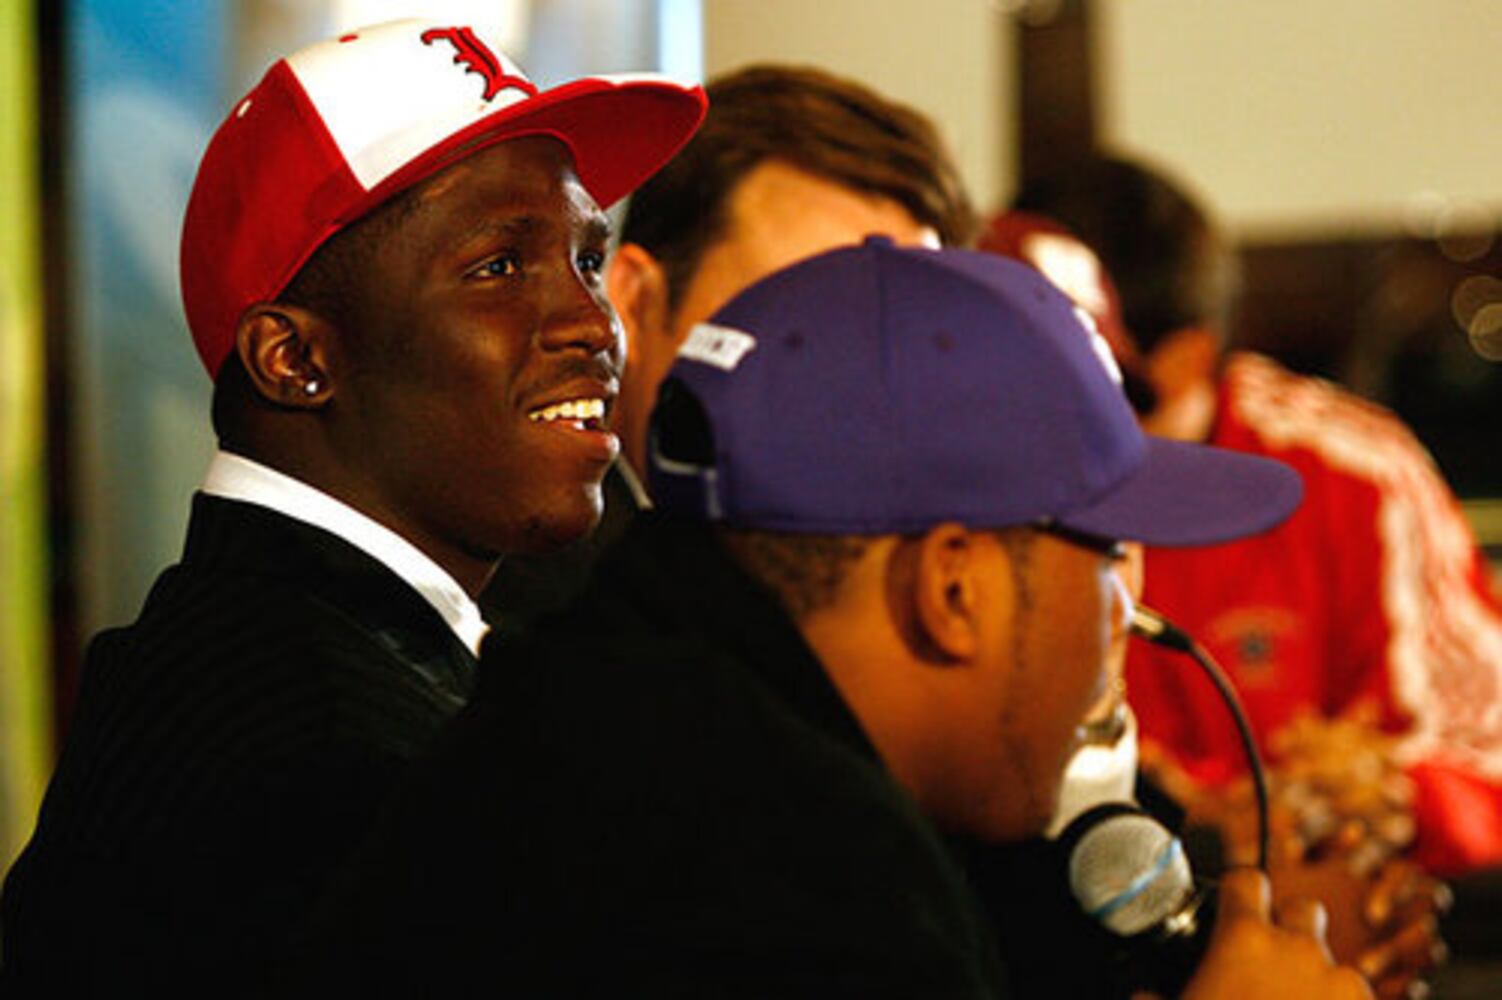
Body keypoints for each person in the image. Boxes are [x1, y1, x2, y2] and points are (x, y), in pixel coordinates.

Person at [279, 238, 1372, 998]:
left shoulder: (621, 692)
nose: (1128, 614)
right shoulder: (796, 889)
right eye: (1103, 558)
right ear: (953, 589)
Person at [0, 17, 704, 994]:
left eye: (587, 260)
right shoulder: (334, 769)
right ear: (294, 358)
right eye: (499, 266)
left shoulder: (271, 653)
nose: (593, 324)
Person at [1011, 155, 1502, 882]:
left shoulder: (1352, 474)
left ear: (1187, 357)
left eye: (1095, 379)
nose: (1049, 411)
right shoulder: (982, 489)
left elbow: (1482, 755)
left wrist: (1386, 794)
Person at [481, 63, 973, 631]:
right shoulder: (531, 612)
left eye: (894, 335)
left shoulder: (912, 589)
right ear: (637, 300)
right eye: (796, 321)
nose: (852, 378)